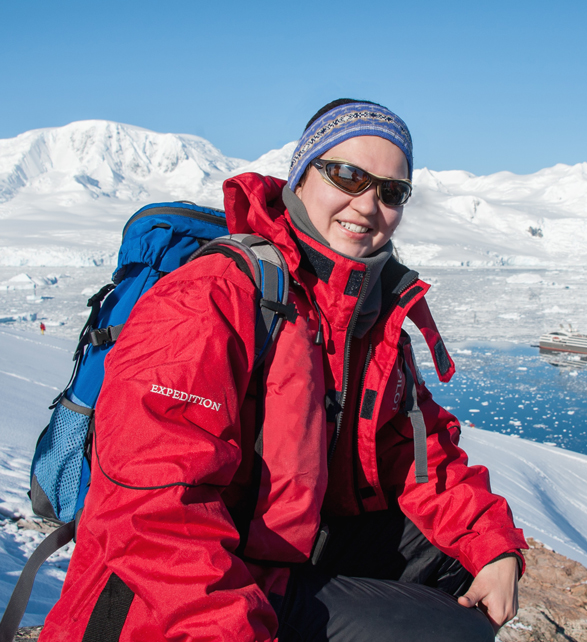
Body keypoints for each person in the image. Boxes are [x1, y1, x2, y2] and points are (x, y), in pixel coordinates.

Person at [40, 99, 527, 642]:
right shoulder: (211, 298)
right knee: (448, 633)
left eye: (391, 192)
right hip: (175, 584)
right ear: (301, 174)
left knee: (462, 560)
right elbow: (153, 509)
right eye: (347, 175)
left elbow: (412, 454)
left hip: (280, 551)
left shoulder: (363, 315)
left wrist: (493, 544)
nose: (367, 205)